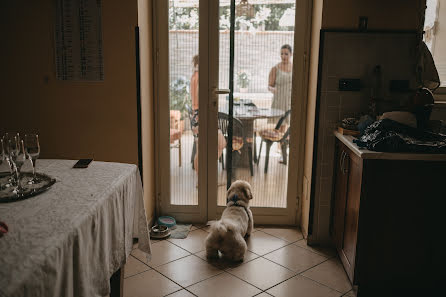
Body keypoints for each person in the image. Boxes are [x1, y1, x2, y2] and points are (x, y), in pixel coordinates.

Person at [189, 55, 226, 179]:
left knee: (205, 148)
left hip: (197, 115)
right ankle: (203, 177)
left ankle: (203, 177)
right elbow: (203, 97)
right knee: (220, 143)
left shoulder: (195, 76)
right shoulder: (201, 77)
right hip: (202, 115)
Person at [268, 44, 293, 127]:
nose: (283, 56)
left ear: (291, 54)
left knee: (289, 125)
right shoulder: (275, 68)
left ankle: (285, 140)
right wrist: (272, 89)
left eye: (286, 54)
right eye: (281, 54)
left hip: (290, 100)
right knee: (278, 126)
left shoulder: (295, 68)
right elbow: (269, 86)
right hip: (279, 101)